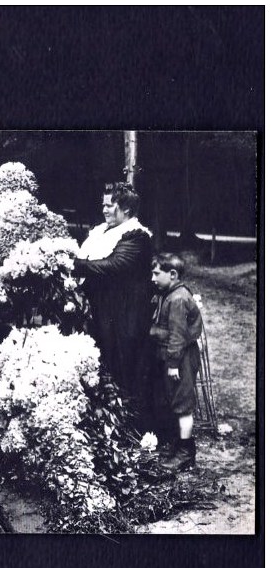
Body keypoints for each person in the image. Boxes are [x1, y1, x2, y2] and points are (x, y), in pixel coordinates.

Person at [73, 182, 154, 412]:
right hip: (103, 308)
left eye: (110, 206)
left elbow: (112, 265)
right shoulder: (102, 231)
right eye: (103, 205)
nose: (104, 210)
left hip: (124, 314)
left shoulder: (137, 236)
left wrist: (73, 265)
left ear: (126, 209)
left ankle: (125, 415)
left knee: (119, 365)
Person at [149, 253, 205, 471]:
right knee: (174, 400)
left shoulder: (178, 298)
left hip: (181, 357)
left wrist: (173, 364)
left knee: (183, 404)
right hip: (174, 355)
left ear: (172, 274)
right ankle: (179, 445)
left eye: (156, 274)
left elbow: (178, 336)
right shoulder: (169, 294)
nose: (152, 278)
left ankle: (185, 453)